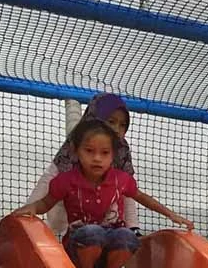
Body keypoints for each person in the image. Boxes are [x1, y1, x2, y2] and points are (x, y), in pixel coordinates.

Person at [9, 120, 193, 268]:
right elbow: (45, 202)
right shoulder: (66, 180)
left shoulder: (121, 180)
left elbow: (142, 197)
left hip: (109, 248)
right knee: (92, 232)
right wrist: (32, 208)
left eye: (104, 153)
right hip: (79, 247)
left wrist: (171, 214)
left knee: (127, 236)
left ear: (113, 155)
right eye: (89, 151)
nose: (97, 158)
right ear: (75, 150)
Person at [27, 93, 139, 236]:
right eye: (111, 122)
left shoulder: (121, 150)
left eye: (122, 125)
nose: (116, 129)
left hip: (106, 219)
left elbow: (128, 194)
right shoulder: (76, 144)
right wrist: (29, 207)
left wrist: (133, 227)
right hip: (71, 214)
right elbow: (50, 177)